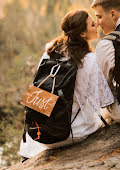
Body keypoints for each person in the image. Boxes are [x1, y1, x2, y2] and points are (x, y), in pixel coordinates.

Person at [19, 9, 114, 159]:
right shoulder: (89, 59)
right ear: (83, 34)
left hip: (40, 134)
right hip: (70, 133)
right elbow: (104, 101)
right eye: (91, 24)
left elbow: (38, 87)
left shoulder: (50, 51)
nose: (96, 24)